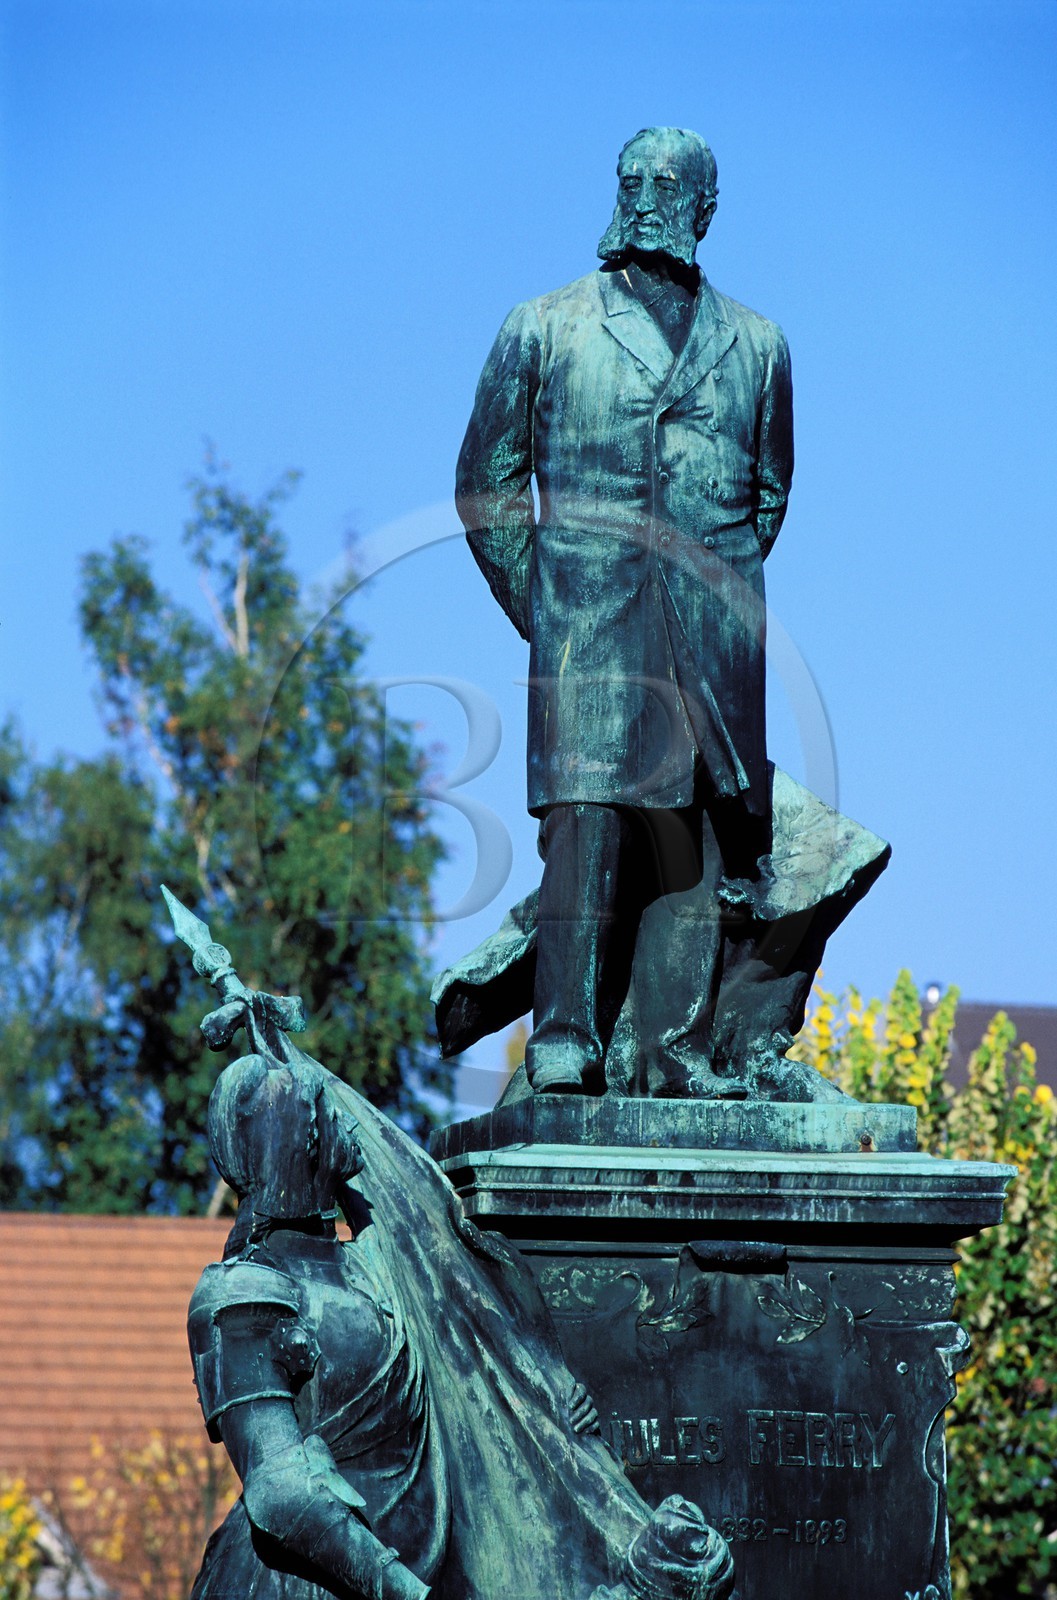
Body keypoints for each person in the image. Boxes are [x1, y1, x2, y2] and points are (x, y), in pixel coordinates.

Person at [177, 919, 735, 1600]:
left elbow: (458, 1276)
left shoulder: (379, 1265)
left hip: (429, 1560)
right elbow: (280, 1492)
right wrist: (397, 1588)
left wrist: (543, 1379)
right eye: (317, 1123)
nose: (339, 1136)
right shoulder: (241, 1296)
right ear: (296, 1146)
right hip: (314, 1583)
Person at [456, 127, 793, 1099]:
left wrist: (713, 592)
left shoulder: (759, 346)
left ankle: (678, 1047)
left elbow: (766, 494)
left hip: (714, 629)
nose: (646, 197)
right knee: (588, 820)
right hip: (586, 617)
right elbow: (486, 486)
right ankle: (563, 1036)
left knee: (692, 831)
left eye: (668, 183)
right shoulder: (545, 324)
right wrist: (549, 604)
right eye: (631, 179)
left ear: (705, 207)